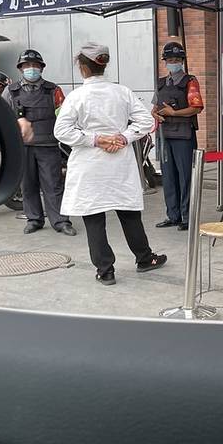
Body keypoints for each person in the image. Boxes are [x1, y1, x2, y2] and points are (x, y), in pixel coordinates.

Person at [54, 43, 167, 286]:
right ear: (103, 65)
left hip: (89, 165)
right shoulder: (122, 92)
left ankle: (105, 270)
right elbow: (146, 121)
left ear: (82, 68)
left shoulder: (76, 97)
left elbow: (61, 131)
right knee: (129, 213)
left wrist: (95, 139)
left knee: (94, 217)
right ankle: (144, 258)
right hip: (119, 163)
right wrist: (123, 137)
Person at [3, 49, 75, 236]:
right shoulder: (10, 91)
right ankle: (34, 219)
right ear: (20, 68)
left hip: (48, 145)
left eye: (35, 65)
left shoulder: (53, 90)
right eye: (27, 65)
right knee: (28, 185)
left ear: (41, 68)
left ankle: (61, 221)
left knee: (53, 184)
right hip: (22, 147)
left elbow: (64, 115)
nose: (31, 68)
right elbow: (3, 117)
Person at [152, 42, 204, 231]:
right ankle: (172, 215)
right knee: (168, 177)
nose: (173, 62)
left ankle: (187, 217)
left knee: (185, 177)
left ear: (182, 61)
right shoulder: (161, 83)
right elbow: (154, 108)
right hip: (165, 135)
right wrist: (156, 114)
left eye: (176, 59)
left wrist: (173, 113)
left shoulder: (190, 81)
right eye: (170, 59)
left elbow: (196, 107)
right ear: (165, 62)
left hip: (183, 136)